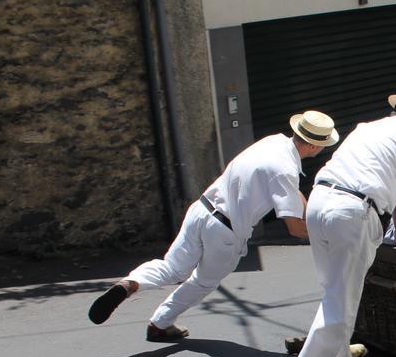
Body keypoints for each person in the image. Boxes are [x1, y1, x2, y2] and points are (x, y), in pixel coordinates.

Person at [88, 110, 339, 340]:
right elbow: (295, 228)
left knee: (172, 268)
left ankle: (131, 283)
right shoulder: (284, 170)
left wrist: (308, 208)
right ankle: (159, 323)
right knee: (203, 282)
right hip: (225, 231)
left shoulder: (272, 142)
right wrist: (327, 236)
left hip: (202, 209)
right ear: (315, 145)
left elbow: (292, 193)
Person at [292, 87, 396, 357]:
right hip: (353, 210)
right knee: (341, 294)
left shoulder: (367, 128)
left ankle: (341, 352)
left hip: (319, 200)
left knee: (335, 286)